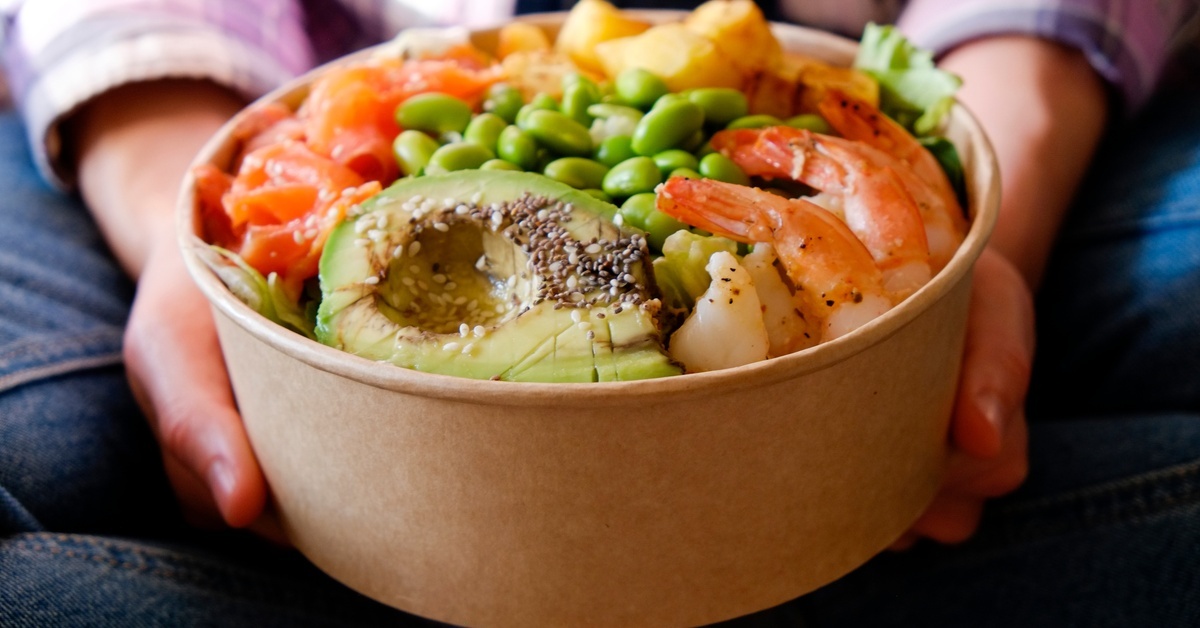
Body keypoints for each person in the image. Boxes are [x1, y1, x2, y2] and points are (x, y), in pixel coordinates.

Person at [0, 0, 1196, 625]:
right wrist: (163, 199)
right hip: (246, 79)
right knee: (37, 464)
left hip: (980, 70)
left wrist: (1006, 203)